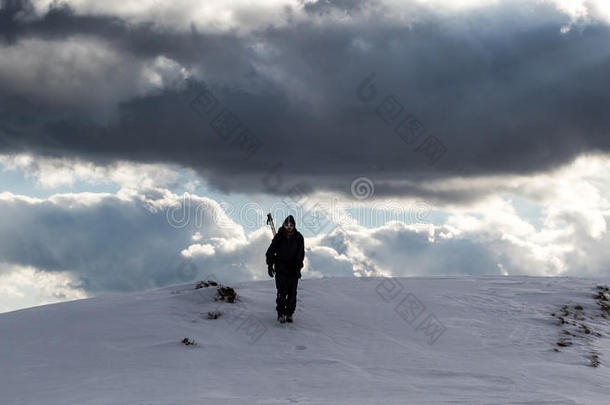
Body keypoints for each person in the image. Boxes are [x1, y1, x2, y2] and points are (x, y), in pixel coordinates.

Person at [266, 214, 305, 323]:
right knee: (282, 292)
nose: (289, 227)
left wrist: (298, 268)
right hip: (281, 268)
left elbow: (301, 254)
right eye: (287, 225)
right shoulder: (278, 237)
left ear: (294, 226)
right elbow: (270, 252)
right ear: (284, 225)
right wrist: (270, 265)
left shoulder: (298, 237)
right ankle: (281, 313)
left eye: (291, 225)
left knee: (292, 293)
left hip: (293, 269)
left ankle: (289, 314)